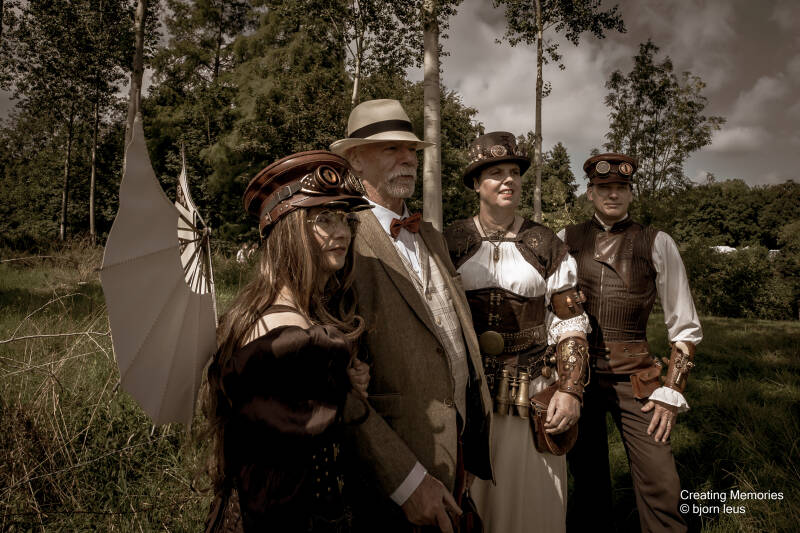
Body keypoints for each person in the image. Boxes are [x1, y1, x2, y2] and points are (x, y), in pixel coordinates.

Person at [330, 99, 493, 533]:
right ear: (355, 160)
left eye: (411, 150)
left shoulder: (432, 236)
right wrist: (404, 481)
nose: (407, 159)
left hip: (457, 452)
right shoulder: (341, 238)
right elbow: (340, 383)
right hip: (393, 474)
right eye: (391, 148)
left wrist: (470, 445)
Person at [203, 150, 373, 533]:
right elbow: (278, 487)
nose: (342, 232)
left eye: (345, 218)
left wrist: (341, 381)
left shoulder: (265, 312)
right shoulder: (287, 335)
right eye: (324, 219)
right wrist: (345, 393)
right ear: (290, 231)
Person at [443, 132, 590, 533]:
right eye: (496, 173)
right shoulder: (449, 242)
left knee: (532, 500)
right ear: (476, 184)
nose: (508, 180)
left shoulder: (545, 244)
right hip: (468, 392)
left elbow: (571, 324)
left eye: (514, 172)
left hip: (530, 389)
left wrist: (570, 390)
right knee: (469, 499)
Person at [562, 153, 702, 533]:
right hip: (580, 377)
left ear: (630, 192)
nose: (613, 194)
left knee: (661, 482)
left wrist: (672, 391)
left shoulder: (657, 242)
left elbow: (685, 326)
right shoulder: (566, 239)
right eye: (604, 187)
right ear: (590, 193)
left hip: (636, 378)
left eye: (621, 187)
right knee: (587, 481)